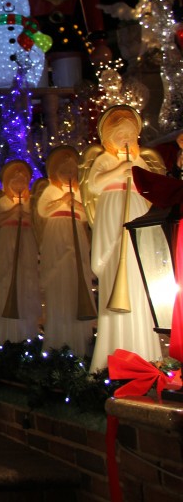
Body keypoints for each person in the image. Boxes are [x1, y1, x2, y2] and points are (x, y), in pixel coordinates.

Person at [82, 106, 169, 371]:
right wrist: (121, 168)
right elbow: (94, 184)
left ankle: (145, 352)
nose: (126, 141)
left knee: (140, 277)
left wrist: (136, 170)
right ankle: (113, 355)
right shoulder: (105, 159)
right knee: (116, 270)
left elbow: (153, 187)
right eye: (121, 136)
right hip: (114, 211)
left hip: (136, 209)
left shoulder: (140, 159)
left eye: (130, 136)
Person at [34, 146, 95, 357]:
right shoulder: (51, 189)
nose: (69, 175)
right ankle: (58, 340)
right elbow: (42, 209)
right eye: (64, 170)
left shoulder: (78, 191)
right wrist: (62, 201)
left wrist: (75, 203)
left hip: (76, 232)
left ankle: (81, 340)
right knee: (59, 281)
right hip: (57, 232)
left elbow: (87, 214)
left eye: (72, 171)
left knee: (76, 278)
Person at [0, 160, 42, 343]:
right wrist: (14, 211)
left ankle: (29, 331)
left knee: (26, 277)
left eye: (23, 181)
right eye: (15, 181)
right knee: (9, 277)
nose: (19, 185)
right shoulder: (4, 201)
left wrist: (24, 213)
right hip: (8, 238)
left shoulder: (30, 201)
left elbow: (36, 219)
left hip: (26, 238)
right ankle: (9, 333)